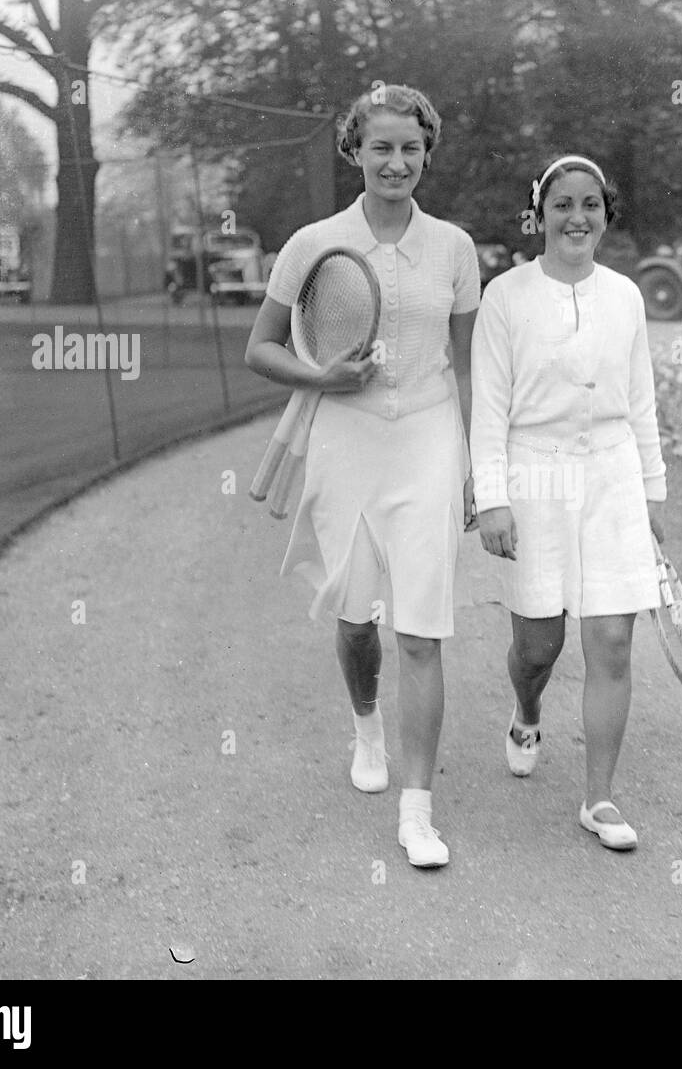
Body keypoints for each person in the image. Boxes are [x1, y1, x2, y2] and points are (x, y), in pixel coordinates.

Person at [244, 84, 480, 869]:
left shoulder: (453, 246)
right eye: (381, 147)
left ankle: (419, 812)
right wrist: (324, 380)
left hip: (428, 435)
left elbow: (470, 365)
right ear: (355, 150)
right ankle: (366, 726)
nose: (397, 161)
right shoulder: (314, 241)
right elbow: (263, 347)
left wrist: (482, 463)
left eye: (411, 148)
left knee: (421, 624)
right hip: (345, 438)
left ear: (427, 153)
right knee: (356, 621)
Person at [469, 154, 667, 851]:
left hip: (611, 477)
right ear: (540, 213)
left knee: (612, 638)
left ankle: (600, 798)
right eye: (562, 204)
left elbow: (641, 401)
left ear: (606, 215)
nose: (576, 217)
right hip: (535, 477)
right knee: (539, 643)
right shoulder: (506, 296)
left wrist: (650, 492)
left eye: (591, 204)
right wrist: (491, 499)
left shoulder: (626, 297)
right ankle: (526, 709)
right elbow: (488, 408)